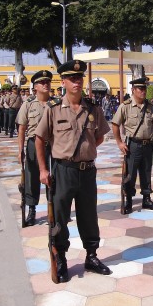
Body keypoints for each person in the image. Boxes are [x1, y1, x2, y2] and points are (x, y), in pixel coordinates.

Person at [35, 60, 111, 283]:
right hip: (63, 171)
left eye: (80, 78)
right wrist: (42, 169)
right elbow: (39, 139)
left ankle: (92, 256)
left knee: (89, 216)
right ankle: (61, 258)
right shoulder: (53, 109)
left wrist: (86, 151)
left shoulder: (93, 109)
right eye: (72, 78)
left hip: (87, 172)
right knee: (60, 217)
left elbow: (100, 136)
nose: (77, 82)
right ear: (64, 81)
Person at [112, 77, 153, 214]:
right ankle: (129, 201)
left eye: (144, 88)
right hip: (133, 145)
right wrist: (119, 142)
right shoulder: (125, 106)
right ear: (133, 90)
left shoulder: (151, 106)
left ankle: (146, 198)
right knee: (130, 174)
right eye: (140, 89)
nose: (143, 91)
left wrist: (146, 131)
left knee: (146, 172)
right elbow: (115, 124)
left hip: (148, 145)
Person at [16, 70, 53, 227]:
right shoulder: (28, 104)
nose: (46, 84)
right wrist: (20, 151)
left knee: (53, 177)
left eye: (47, 82)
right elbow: (22, 128)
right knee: (31, 179)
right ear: (35, 87)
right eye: (42, 82)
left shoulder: (56, 103)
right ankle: (32, 211)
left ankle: (54, 210)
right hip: (32, 145)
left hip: (51, 145)